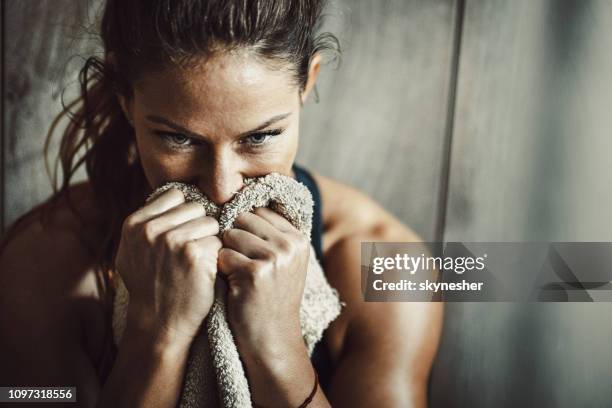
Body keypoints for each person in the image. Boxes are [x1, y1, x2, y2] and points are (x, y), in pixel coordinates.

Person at [0, 0, 443, 406]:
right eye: (177, 137)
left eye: (260, 137)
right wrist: (156, 335)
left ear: (308, 82)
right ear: (126, 99)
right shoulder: (45, 260)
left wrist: (278, 348)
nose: (221, 187)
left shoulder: (393, 268)